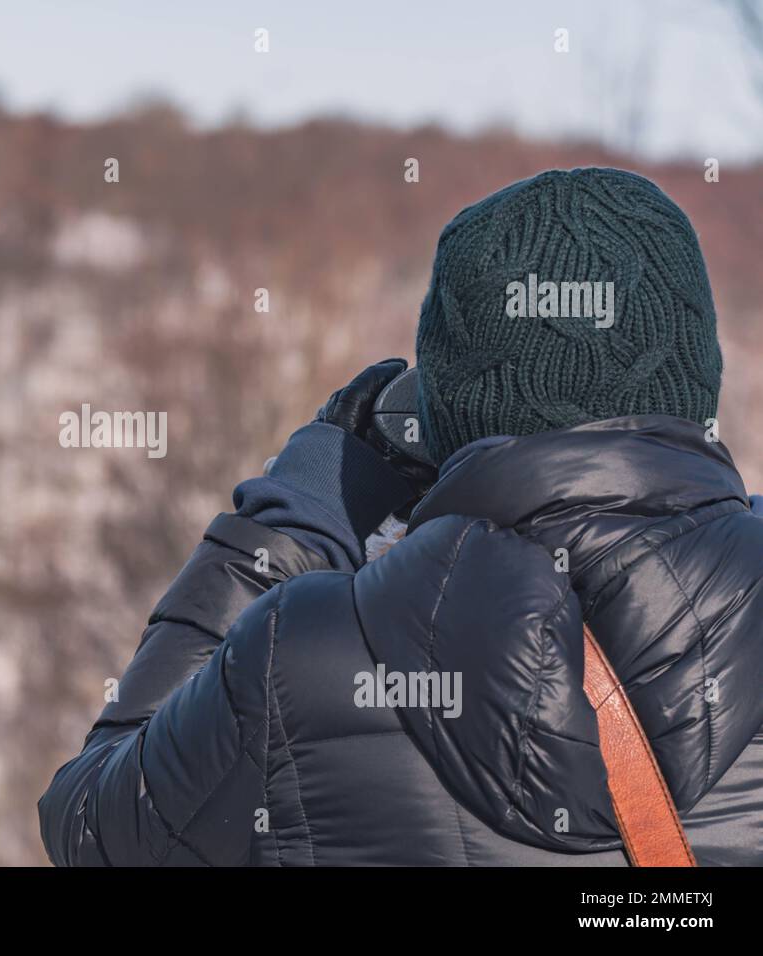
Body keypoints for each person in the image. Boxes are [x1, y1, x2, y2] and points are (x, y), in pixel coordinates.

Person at [38, 167, 763, 866]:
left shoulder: (300, 661)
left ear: (441, 413)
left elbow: (93, 826)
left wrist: (298, 513)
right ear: (698, 377)